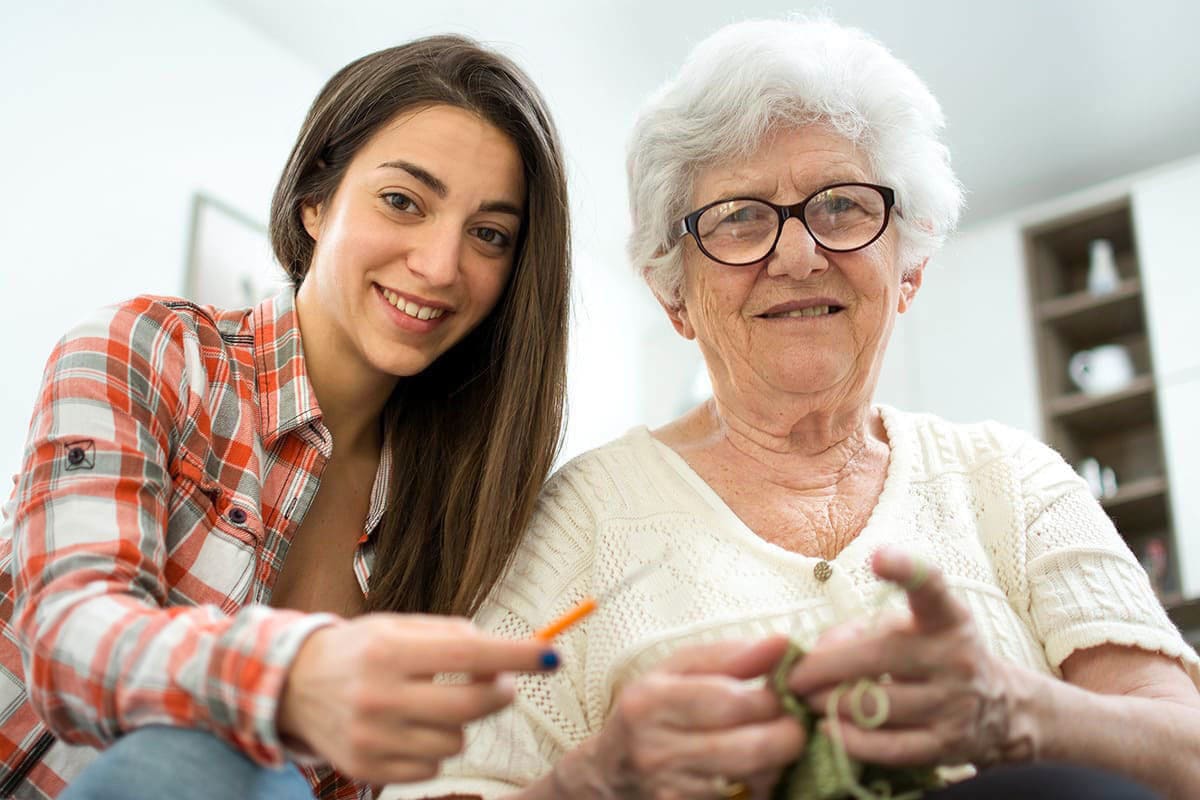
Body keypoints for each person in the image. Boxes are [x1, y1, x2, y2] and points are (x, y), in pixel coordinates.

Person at [382, 17, 1200, 800]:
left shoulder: (1012, 479)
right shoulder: (580, 522)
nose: (799, 253)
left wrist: (1021, 714)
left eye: (842, 205)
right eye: (739, 219)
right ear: (677, 296)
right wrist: (600, 783)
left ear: (907, 262)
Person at [0, 34, 570, 800]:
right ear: (314, 200)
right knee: (209, 756)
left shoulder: (457, 515)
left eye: (489, 235)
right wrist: (290, 682)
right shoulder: (154, 351)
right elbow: (68, 638)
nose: (440, 265)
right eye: (402, 201)